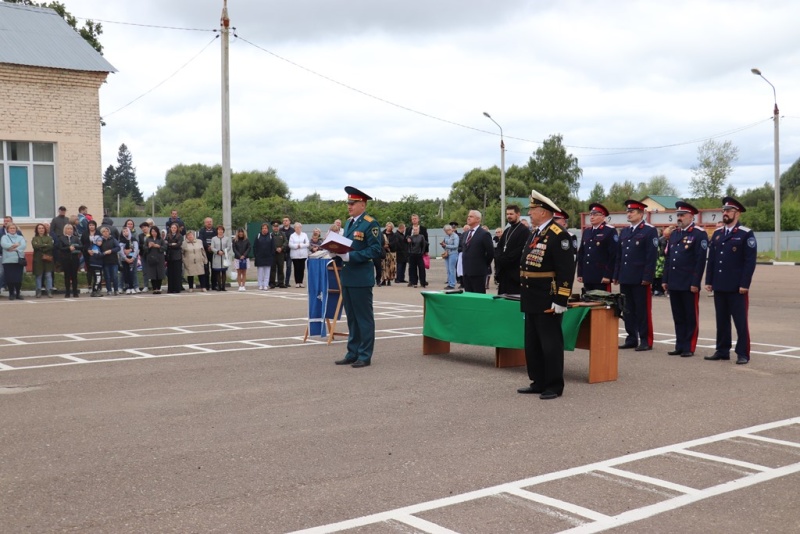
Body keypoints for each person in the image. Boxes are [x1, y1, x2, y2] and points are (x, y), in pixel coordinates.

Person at [517, 190, 576, 400]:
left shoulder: (559, 235)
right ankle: (538, 381)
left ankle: (553, 385)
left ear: (543, 211)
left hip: (547, 297)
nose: (530, 213)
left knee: (550, 343)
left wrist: (561, 298)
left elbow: (566, 269)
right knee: (532, 342)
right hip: (531, 295)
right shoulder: (536, 232)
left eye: (532, 209)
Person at [332, 186, 383, 368]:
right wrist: (336, 252)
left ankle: (364, 354)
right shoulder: (349, 223)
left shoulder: (370, 223)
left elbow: (376, 250)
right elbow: (347, 245)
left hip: (361, 277)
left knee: (363, 318)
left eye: (352, 203)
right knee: (352, 317)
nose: (349, 206)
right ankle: (352, 352)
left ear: (362, 204)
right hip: (348, 276)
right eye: (348, 203)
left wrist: (351, 256)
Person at [704, 196, 757, 365]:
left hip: (736, 287)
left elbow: (750, 262)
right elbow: (712, 259)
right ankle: (722, 350)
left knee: (740, 322)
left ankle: (743, 353)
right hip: (719, 284)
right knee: (722, 320)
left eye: (728, 211)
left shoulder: (745, 234)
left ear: (737, 214)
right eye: (724, 211)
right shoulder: (718, 234)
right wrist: (709, 280)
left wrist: (744, 284)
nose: (725, 213)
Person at [662, 201, 707, 358]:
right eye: (678, 215)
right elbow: (669, 258)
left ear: (691, 216)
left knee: (690, 316)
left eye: (682, 215)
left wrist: (695, 283)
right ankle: (679, 345)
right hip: (674, 282)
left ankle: (689, 346)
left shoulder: (699, 234)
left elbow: (699, 261)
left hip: (688, 283)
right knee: (678, 316)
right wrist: (665, 279)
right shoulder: (675, 234)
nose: (679, 218)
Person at [613, 199, 659, 351]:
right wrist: (617, 274)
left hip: (640, 278)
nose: (629, 214)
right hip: (626, 277)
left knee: (642, 310)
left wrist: (647, 277)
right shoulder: (625, 231)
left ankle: (646, 340)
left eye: (632, 211)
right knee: (628, 310)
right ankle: (631, 337)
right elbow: (619, 256)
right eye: (628, 211)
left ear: (641, 214)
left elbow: (651, 257)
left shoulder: (649, 230)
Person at [577, 203, 617, 292]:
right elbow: (582, 253)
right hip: (587, 275)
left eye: (595, 214)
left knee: (601, 304)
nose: (591, 217)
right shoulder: (587, 231)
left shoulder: (609, 231)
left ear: (603, 216)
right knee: (587, 302)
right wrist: (580, 273)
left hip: (601, 276)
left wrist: (608, 275)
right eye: (591, 214)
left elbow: (613, 255)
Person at [494, 204, 531, 295]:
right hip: (504, 272)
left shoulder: (524, 231)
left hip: (515, 273)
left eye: (511, 214)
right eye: (507, 214)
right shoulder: (507, 231)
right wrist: (499, 258)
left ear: (518, 214)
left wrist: (504, 260)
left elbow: (520, 250)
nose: (509, 216)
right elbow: (499, 247)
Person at [460, 210, 494, 293]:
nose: (468, 218)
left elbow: (490, 252)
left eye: (471, 216)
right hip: (466, 272)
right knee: (468, 296)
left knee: (479, 296)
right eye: (468, 216)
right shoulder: (465, 234)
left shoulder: (484, 234)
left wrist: (483, 264)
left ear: (478, 219)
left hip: (478, 272)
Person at [1, 223, 27, 300]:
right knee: (10, 278)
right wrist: (16, 245)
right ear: (8, 229)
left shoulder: (20, 237)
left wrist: (13, 248)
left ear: (16, 229)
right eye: (11, 228)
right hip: (7, 261)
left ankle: (18, 293)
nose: (12, 229)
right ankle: (11, 293)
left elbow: (23, 245)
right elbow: (4, 245)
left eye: (14, 228)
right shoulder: (4, 237)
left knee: (18, 278)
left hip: (18, 261)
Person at [58, 223, 82, 297]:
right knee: (67, 276)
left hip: (74, 259)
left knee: (74, 276)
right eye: (68, 229)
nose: (70, 230)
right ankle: (67, 292)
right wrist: (69, 248)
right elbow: (60, 248)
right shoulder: (61, 238)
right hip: (66, 259)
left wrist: (75, 247)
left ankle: (75, 292)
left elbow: (81, 246)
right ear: (65, 230)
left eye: (71, 229)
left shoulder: (76, 238)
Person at [31, 223, 55, 298]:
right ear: (37, 230)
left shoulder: (49, 238)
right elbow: (35, 246)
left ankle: (49, 290)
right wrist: (44, 245)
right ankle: (38, 291)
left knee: (48, 275)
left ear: (45, 229)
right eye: (39, 228)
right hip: (38, 259)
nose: (41, 230)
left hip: (48, 258)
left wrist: (41, 246)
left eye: (42, 228)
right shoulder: (35, 238)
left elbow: (50, 246)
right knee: (39, 275)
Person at [82, 221, 105, 297]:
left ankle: (97, 288)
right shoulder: (85, 233)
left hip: (97, 256)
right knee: (90, 271)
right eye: (90, 225)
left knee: (98, 274)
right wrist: (88, 250)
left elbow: (102, 244)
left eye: (93, 225)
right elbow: (82, 244)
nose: (91, 227)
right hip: (88, 255)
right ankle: (90, 286)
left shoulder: (99, 233)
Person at [144, 226, 166, 294]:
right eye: (152, 231)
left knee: (159, 273)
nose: (154, 233)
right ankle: (154, 288)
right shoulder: (148, 239)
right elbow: (144, 248)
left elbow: (165, 247)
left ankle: (158, 288)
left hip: (159, 258)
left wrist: (158, 246)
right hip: (151, 257)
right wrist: (149, 246)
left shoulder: (160, 239)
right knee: (152, 273)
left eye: (155, 231)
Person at [253, 223, 275, 290]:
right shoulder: (258, 236)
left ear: (268, 229)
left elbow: (273, 246)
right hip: (260, 257)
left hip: (268, 257)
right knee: (260, 272)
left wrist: (271, 255)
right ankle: (260, 284)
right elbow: (255, 246)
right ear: (261, 229)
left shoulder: (271, 236)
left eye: (265, 228)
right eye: (263, 228)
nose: (264, 229)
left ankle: (265, 285)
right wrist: (256, 255)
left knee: (267, 272)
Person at [99, 226, 120, 296]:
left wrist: (111, 251)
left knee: (115, 276)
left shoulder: (113, 239)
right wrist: (104, 253)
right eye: (104, 231)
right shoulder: (100, 240)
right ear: (102, 233)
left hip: (114, 261)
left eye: (107, 231)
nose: (106, 233)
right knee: (107, 276)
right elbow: (98, 250)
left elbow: (118, 247)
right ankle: (109, 290)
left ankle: (116, 290)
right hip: (105, 261)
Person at [211, 225, 232, 291]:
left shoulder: (227, 238)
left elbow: (229, 247)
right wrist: (217, 251)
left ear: (223, 231)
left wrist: (223, 251)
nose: (220, 231)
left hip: (224, 257)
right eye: (219, 230)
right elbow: (212, 247)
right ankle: (219, 286)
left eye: (221, 230)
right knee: (217, 273)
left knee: (223, 272)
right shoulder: (214, 239)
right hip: (216, 257)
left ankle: (223, 286)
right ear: (217, 231)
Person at [118, 227, 139, 294]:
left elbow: (136, 249)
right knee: (126, 273)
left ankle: (132, 287)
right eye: (123, 231)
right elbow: (120, 251)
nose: (125, 232)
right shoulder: (122, 241)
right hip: (124, 260)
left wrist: (133, 258)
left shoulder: (133, 239)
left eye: (126, 231)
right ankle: (127, 287)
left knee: (131, 273)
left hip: (132, 259)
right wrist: (125, 258)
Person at [198, 217, 216, 291]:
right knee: (205, 269)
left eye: (210, 221)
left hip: (214, 252)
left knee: (214, 269)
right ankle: (206, 285)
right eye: (207, 222)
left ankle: (214, 285)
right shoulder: (202, 231)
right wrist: (207, 246)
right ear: (205, 223)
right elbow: (201, 239)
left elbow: (216, 239)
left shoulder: (215, 230)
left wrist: (212, 247)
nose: (209, 223)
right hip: (205, 252)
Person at [288, 222, 309, 288]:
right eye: (296, 228)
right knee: (296, 268)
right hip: (295, 255)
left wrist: (301, 245)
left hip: (303, 254)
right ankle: (297, 282)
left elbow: (307, 243)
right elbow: (290, 245)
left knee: (302, 268)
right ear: (294, 228)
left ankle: (301, 282)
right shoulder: (292, 235)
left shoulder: (304, 235)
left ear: (301, 228)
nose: (298, 229)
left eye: (299, 228)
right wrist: (297, 246)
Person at [165, 223, 184, 293]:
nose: (173, 229)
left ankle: (177, 288)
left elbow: (178, 245)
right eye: (172, 228)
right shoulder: (168, 236)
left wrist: (171, 244)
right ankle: (170, 288)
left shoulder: (180, 236)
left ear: (177, 229)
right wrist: (172, 244)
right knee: (170, 273)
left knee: (177, 273)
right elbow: (166, 244)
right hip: (170, 256)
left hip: (177, 257)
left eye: (175, 228)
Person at [380, 222, 400, 286]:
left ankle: (389, 280)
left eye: (390, 226)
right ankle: (383, 279)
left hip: (391, 253)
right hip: (384, 252)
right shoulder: (382, 234)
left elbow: (395, 243)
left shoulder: (394, 235)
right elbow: (379, 241)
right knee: (383, 266)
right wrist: (383, 246)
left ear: (392, 227)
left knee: (391, 267)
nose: (388, 227)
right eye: (387, 226)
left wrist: (388, 245)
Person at [440, 224, 460, 289]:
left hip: (453, 254)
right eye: (445, 231)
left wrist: (446, 246)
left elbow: (456, 246)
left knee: (452, 269)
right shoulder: (446, 236)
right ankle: (449, 283)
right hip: (447, 254)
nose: (446, 232)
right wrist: (443, 245)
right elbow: (445, 244)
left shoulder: (455, 236)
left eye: (446, 231)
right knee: (448, 269)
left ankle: (452, 284)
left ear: (450, 229)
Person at [269, 221, 286, 289]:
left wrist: (281, 248)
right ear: (272, 228)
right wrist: (275, 248)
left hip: (281, 253)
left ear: (278, 227)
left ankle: (281, 283)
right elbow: (269, 244)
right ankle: (272, 283)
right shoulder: (270, 235)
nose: (276, 228)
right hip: (273, 254)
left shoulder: (282, 234)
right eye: (274, 227)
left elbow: (286, 242)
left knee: (280, 268)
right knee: (272, 269)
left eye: (277, 227)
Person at [138, 221, 151, 292]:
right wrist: (144, 246)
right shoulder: (140, 236)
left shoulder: (152, 234)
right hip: (143, 255)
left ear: (148, 227)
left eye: (145, 227)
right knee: (145, 271)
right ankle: (146, 285)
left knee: (153, 270)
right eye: (142, 228)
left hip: (152, 255)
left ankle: (155, 285)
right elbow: (139, 245)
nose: (144, 229)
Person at [280, 217, 294, 287]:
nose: (285, 222)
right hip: (282, 251)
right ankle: (281, 281)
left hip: (289, 251)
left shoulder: (292, 230)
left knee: (289, 266)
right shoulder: (280, 230)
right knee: (280, 267)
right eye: (283, 221)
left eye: (286, 220)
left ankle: (287, 281)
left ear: (289, 222)